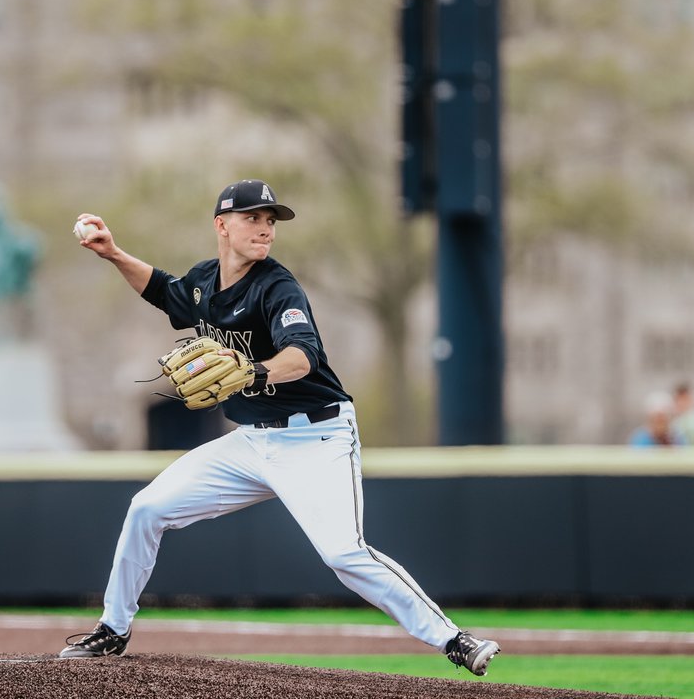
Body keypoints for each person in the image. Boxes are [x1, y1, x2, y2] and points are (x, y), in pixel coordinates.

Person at [59, 179, 500, 676]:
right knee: (146, 508)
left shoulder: (277, 286)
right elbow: (165, 292)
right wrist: (114, 253)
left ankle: (454, 640)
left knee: (343, 553)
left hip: (317, 437)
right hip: (252, 442)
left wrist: (255, 370)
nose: (265, 228)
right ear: (221, 225)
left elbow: (302, 356)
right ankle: (113, 629)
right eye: (253, 218)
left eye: (270, 220)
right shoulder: (206, 281)